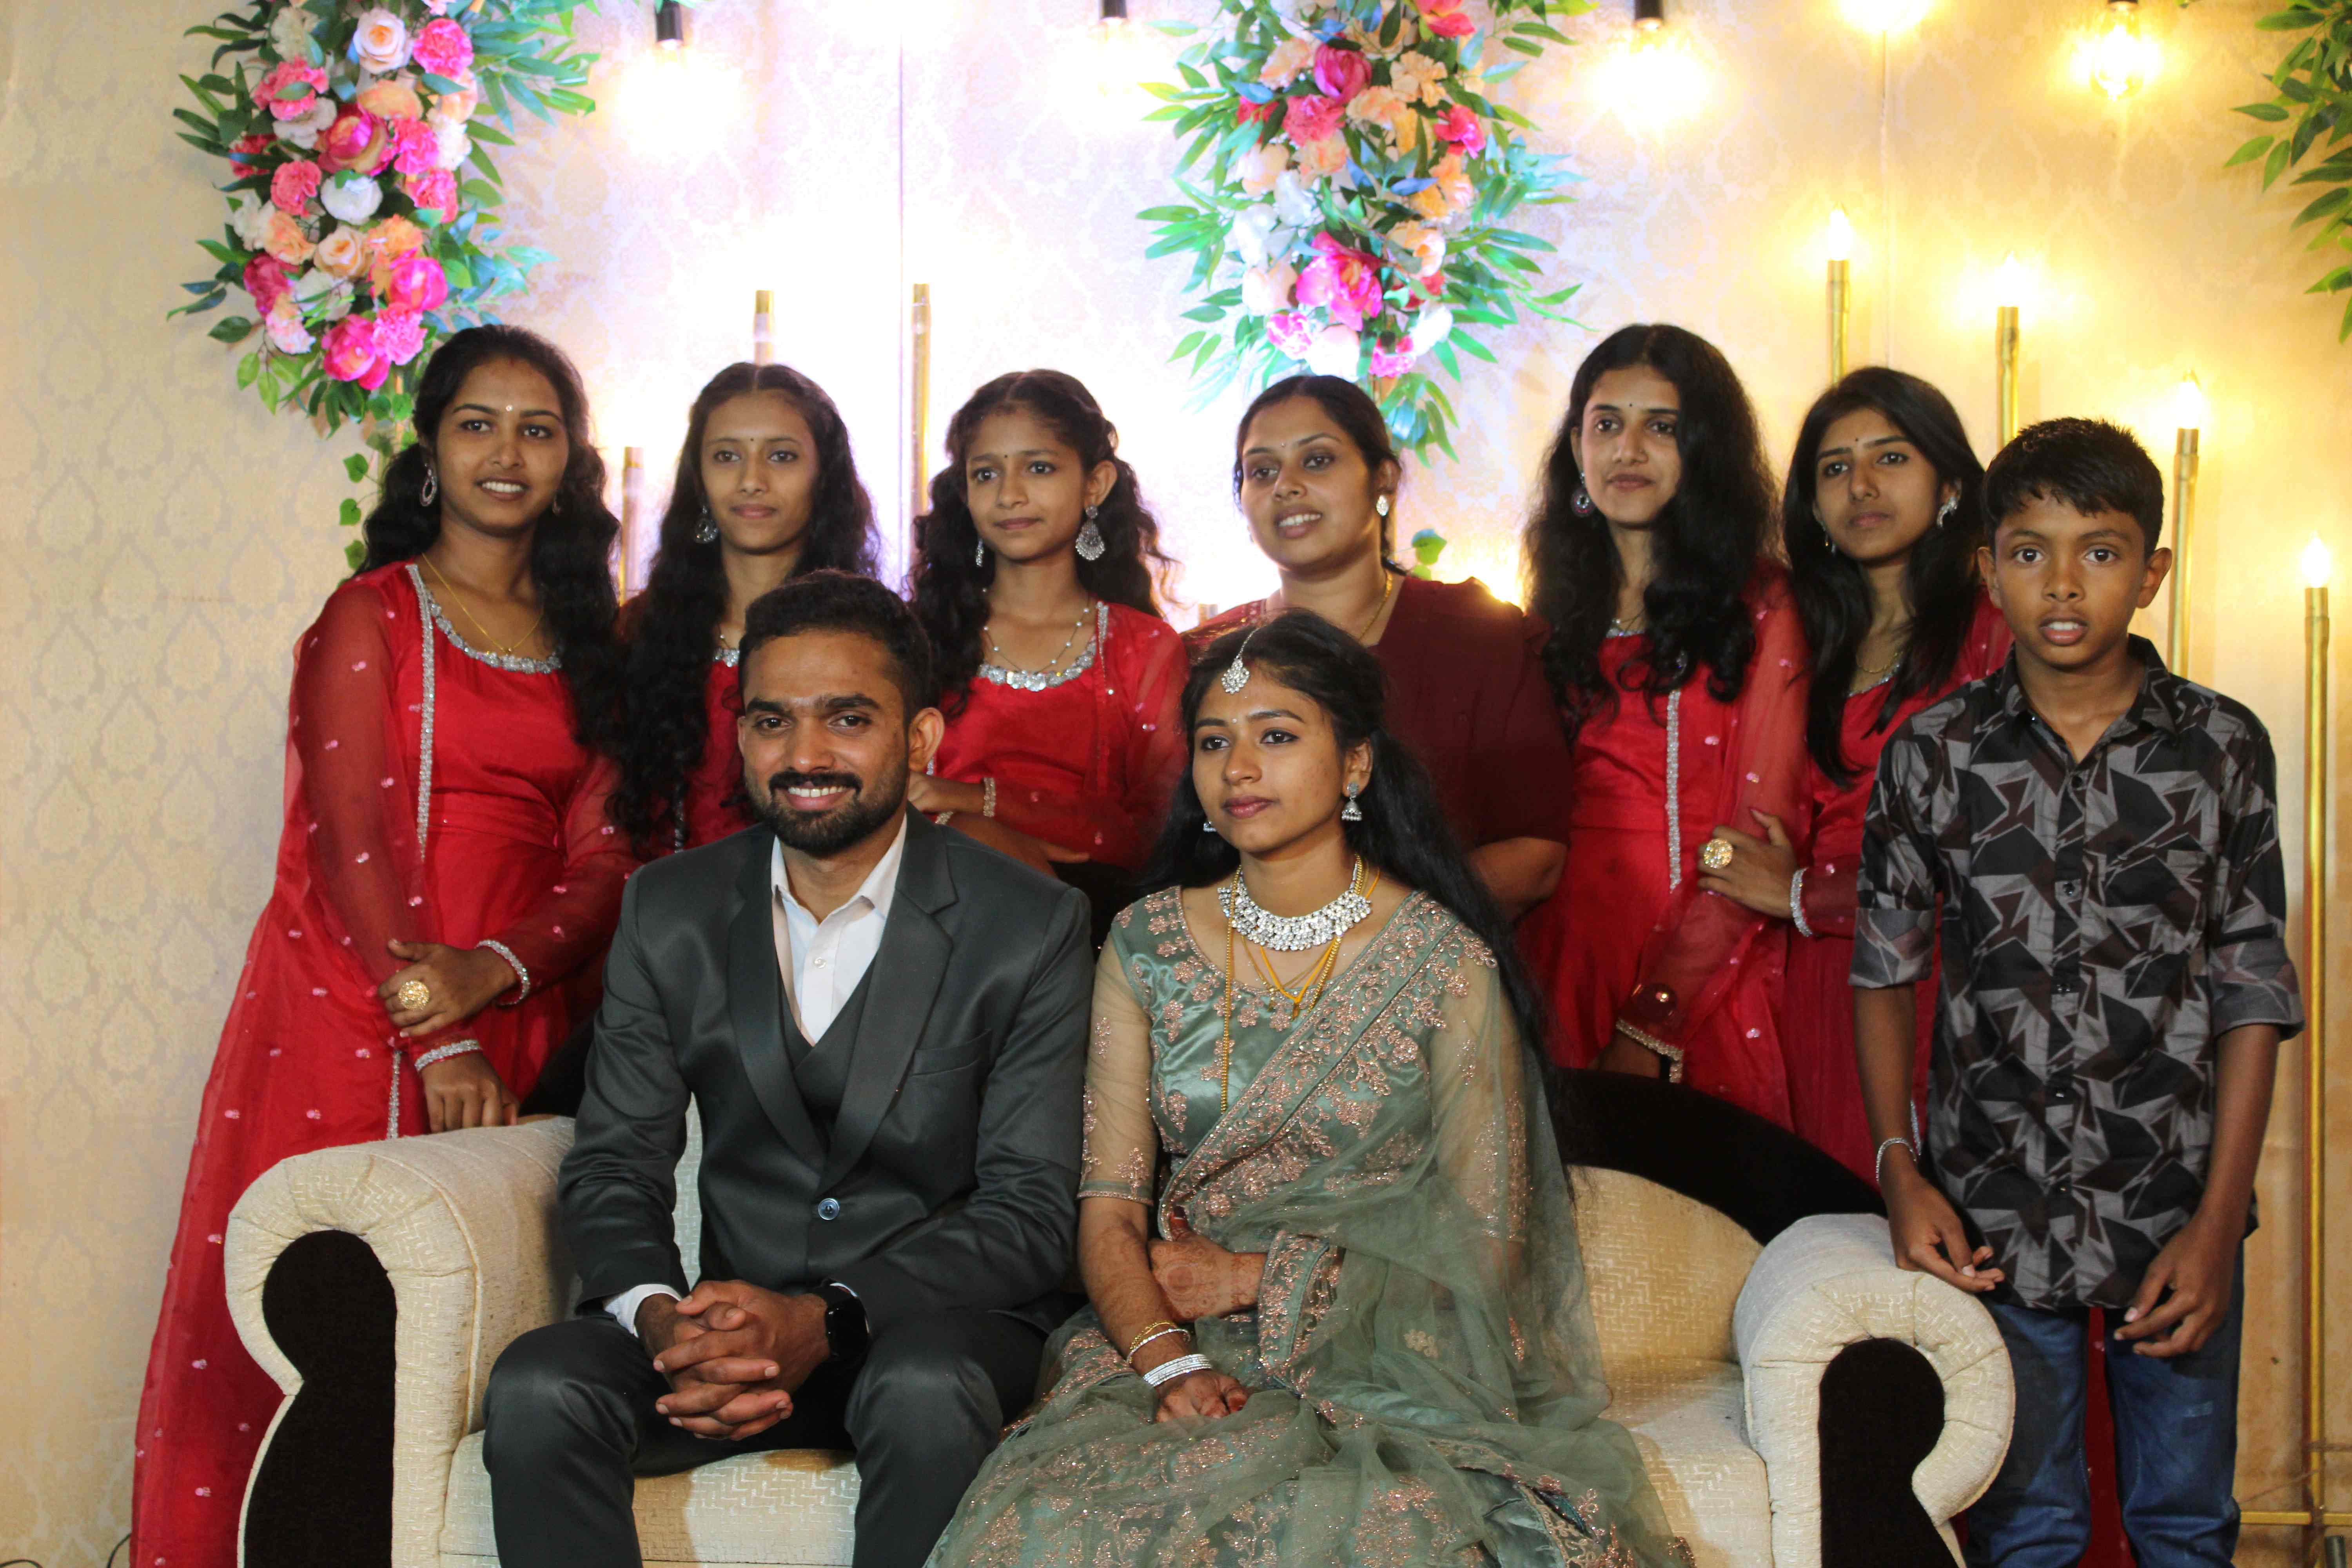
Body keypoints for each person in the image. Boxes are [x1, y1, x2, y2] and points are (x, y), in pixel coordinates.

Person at [923, 611, 1686, 1568]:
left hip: (1398, 1357)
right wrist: (1167, 1359)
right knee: (1046, 1525)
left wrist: (1257, 1277)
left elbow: (1488, 1247)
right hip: (1181, 1346)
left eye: (1277, 735)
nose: (1240, 766)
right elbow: (1109, 1207)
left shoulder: (1444, 963)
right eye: (1214, 742)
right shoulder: (1145, 943)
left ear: (1356, 763)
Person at [133, 325, 635, 1568]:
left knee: (483, 1335)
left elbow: (607, 863)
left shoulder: (594, 643)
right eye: (477, 424)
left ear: (572, 461)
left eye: (537, 429)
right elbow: (349, 839)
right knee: (345, 1321)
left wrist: (496, 976)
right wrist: (437, 1028)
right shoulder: (374, 614)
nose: (506, 452)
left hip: (522, 1005)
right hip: (360, 1006)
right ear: (430, 447)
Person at [483, 572, 1092, 1568]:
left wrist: (828, 1316)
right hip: (729, 1332)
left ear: (922, 738)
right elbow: (615, 1163)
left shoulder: (1028, 924)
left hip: (931, 1335)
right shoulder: (669, 907)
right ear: (742, 736)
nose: (805, 755)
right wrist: (664, 1320)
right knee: (541, 1384)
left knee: (926, 1387)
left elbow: (1029, 1209)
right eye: (773, 721)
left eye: (847, 719)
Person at [1855, 418, 2300, 1567]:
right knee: (2026, 1526)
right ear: (1987, 567)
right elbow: (1885, 969)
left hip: (2169, 1204)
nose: (2061, 583)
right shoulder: (1933, 753)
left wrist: (2217, 1222)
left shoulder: (2219, 748)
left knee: (2185, 1522)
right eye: (2028, 550)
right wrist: (1900, 1167)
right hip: (1991, 1207)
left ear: (2151, 572)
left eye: (2099, 552)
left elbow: (2252, 989)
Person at [1711, 368, 2009, 1182]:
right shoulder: (1796, 642)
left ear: (1951, 484)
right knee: (1832, 1225)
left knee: (1934, 1227)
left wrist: (1804, 894)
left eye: (1891, 457)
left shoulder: (1993, 637)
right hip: (1814, 989)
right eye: (1835, 468)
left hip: (1947, 987)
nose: (1862, 485)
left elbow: (2003, 858)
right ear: (1812, 505)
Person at [1516, 324, 1809, 1124]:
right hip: (1561, 953)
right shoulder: (1553, 615)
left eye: (1663, 426)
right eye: (1607, 423)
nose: (1629, 449)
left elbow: (1756, 836)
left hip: (1708, 961)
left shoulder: (1764, 607)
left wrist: (1654, 1019)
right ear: (1577, 446)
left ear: (1704, 449)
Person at [1187, 374, 1570, 918]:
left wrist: (1369, 937)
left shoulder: (1479, 635)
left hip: (1439, 956)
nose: (1286, 486)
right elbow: (1183, 849)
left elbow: (1535, 855)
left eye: (1317, 461)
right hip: (1241, 960)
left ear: (1384, 479)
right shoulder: (1209, 656)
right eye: (1262, 471)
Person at [905, 370, 1187, 927]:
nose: (1010, 494)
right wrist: (981, 832)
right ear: (965, 492)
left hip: (1095, 918)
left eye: (1039, 468)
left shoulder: (1143, 648)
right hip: (932, 908)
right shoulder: (920, 637)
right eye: (986, 473)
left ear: (1095, 484)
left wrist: (977, 802)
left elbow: (1161, 830)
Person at [609, 361, 882, 857]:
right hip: (660, 895)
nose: (752, 480)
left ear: (824, 476)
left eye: (781, 456)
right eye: (727, 456)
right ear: (699, 479)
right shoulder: (637, 630)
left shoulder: (873, 637)